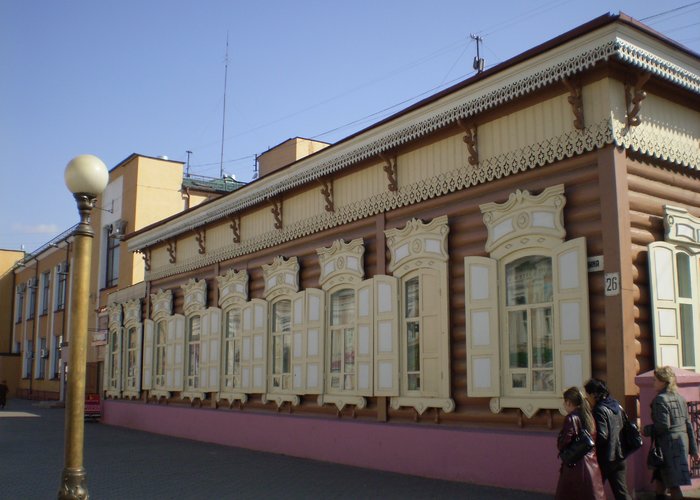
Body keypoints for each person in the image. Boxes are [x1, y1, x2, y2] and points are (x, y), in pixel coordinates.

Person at [643, 366, 699, 500]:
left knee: (673, 485)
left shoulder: (660, 400)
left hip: (668, 447)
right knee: (660, 478)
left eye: (655, 380)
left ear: (663, 382)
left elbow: (663, 426)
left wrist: (646, 430)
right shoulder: (680, 398)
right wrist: (693, 449)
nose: (653, 383)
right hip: (680, 444)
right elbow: (688, 424)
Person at [555, 386, 606, 500]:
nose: (564, 405)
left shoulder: (571, 418)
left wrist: (559, 440)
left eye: (564, 402)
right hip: (591, 464)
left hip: (575, 466)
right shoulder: (588, 415)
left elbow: (564, 442)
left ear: (568, 402)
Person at [584, 378, 631, 499]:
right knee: (622, 493)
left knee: (594, 491)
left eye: (587, 394)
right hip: (620, 456)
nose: (586, 398)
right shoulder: (617, 405)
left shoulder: (599, 409)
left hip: (605, 458)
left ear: (593, 394)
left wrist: (591, 447)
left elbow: (603, 436)